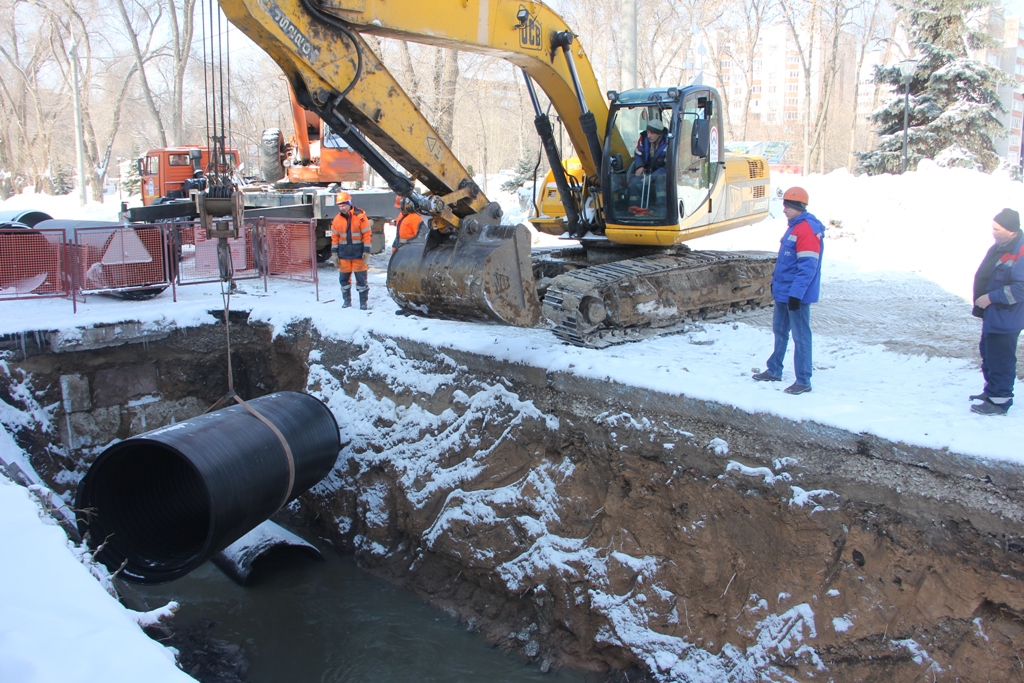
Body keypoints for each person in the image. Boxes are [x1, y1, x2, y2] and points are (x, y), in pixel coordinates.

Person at [752, 186, 825, 395]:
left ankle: (803, 380)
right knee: (780, 332)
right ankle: (774, 369)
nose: (783, 210)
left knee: (801, 336)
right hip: (785, 292)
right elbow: (787, 262)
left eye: (787, 206)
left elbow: (807, 266)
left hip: (795, 295)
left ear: (797, 206)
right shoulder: (794, 226)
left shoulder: (806, 229)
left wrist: (796, 294)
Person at [970, 208, 1024, 415]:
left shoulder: (1020, 251)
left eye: (997, 228)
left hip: (1007, 315)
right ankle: (991, 392)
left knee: (1001, 358)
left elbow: (1021, 287)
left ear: (1011, 230)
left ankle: (999, 401)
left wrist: (991, 297)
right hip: (995, 314)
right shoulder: (1002, 246)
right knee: (989, 354)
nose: (993, 232)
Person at [329, 191, 372, 309]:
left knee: (361, 280)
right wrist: (334, 254)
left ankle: (363, 303)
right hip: (344, 256)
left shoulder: (360, 217)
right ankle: (347, 301)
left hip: (358, 255)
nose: (342, 208)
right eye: (340, 206)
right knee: (344, 281)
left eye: (344, 205)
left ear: (349, 203)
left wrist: (367, 251)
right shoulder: (336, 220)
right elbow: (335, 238)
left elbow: (367, 235)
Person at [628, 118, 669, 211]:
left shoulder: (668, 143)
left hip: (661, 174)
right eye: (648, 132)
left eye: (652, 133)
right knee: (633, 184)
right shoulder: (643, 139)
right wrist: (640, 166)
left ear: (659, 134)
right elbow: (638, 154)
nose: (649, 135)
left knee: (660, 183)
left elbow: (668, 167)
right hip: (646, 172)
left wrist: (652, 177)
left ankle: (660, 209)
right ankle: (635, 209)